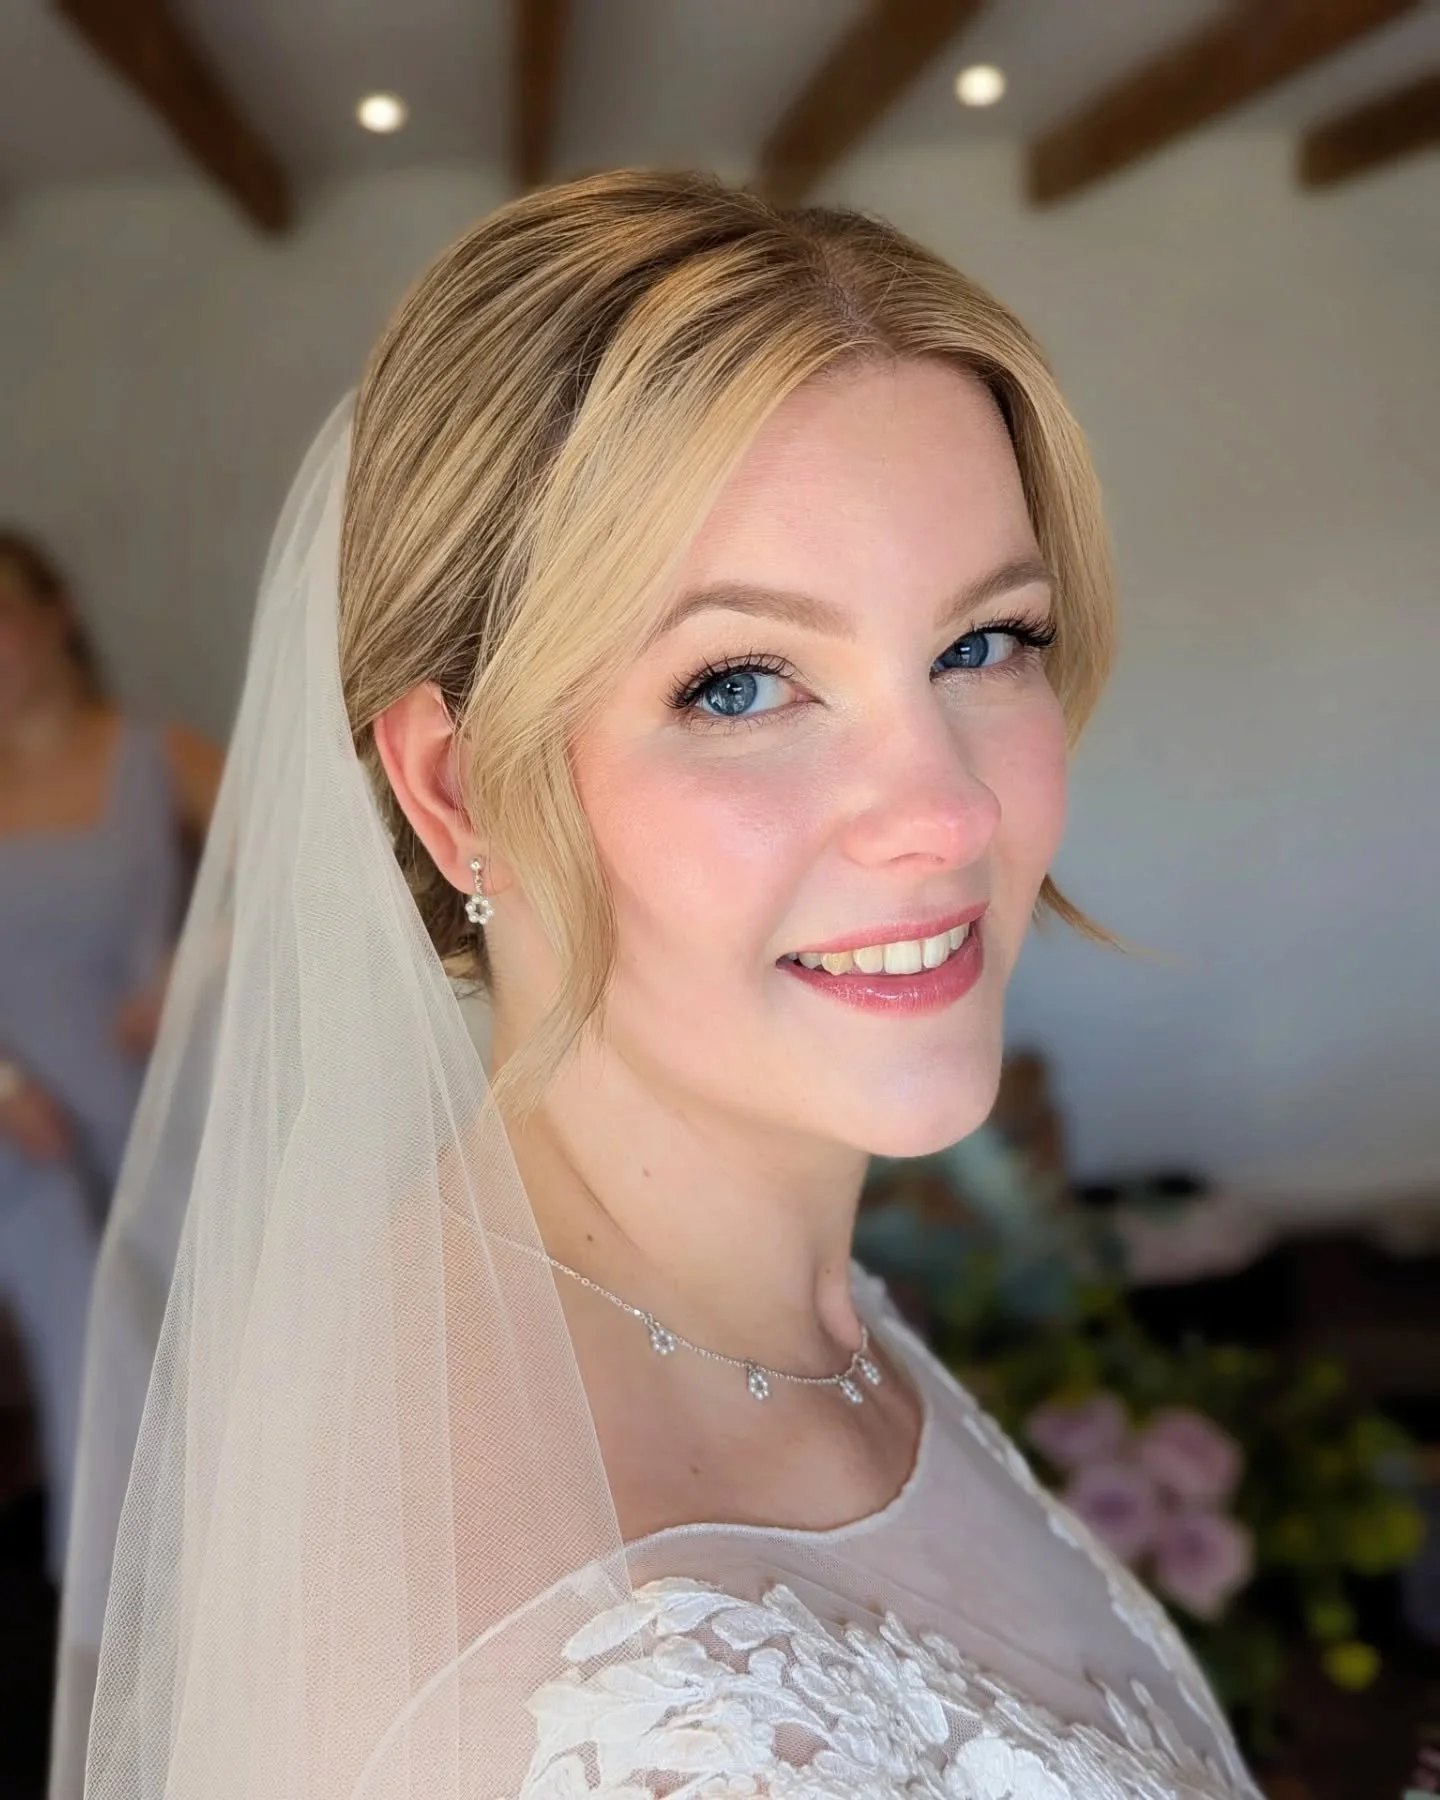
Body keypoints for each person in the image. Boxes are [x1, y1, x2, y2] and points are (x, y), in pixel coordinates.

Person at [53, 171, 1261, 1800]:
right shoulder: (555, 1679)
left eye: (985, 642)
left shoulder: (778, 1311)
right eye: (745, 683)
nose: (950, 815)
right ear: (461, 790)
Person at [0, 531, 221, 1591]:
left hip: (153, 1105)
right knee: (85, 1339)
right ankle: (113, 1630)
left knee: (208, 1351)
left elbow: (306, 865)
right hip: (22, 1132)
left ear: (57, 617)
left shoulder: (153, 753)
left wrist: (195, 956)